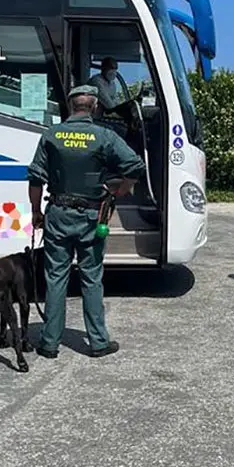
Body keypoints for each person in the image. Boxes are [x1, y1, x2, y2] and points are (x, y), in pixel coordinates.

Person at [26, 85, 145, 359]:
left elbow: (35, 178)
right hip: (92, 216)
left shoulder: (51, 135)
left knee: (56, 278)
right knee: (91, 278)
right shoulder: (104, 136)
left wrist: (36, 212)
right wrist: (122, 188)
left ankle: (49, 343)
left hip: (58, 212)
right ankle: (98, 342)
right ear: (93, 107)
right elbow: (136, 165)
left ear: (70, 107)